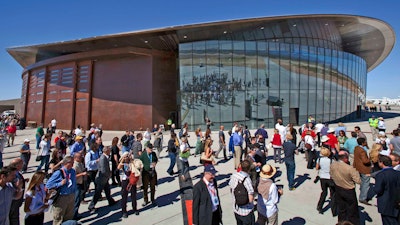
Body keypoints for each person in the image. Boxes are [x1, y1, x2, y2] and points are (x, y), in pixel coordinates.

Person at [330, 151, 361, 225]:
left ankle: (341, 222)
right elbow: (358, 181)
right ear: (346, 159)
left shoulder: (333, 165)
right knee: (352, 211)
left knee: (341, 209)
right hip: (349, 190)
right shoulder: (350, 168)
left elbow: (331, 174)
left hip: (338, 188)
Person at [45, 156, 77, 225]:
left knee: (69, 216)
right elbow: (48, 185)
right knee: (58, 217)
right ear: (67, 163)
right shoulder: (59, 173)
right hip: (62, 197)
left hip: (71, 195)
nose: (73, 164)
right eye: (72, 163)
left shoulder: (73, 171)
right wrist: (59, 183)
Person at [88, 146, 117, 212]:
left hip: (104, 178)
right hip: (101, 178)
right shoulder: (103, 158)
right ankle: (91, 206)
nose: (110, 152)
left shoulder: (105, 157)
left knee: (107, 190)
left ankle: (111, 201)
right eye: (109, 150)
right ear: (107, 151)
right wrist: (109, 175)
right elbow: (103, 170)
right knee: (98, 193)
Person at [373, 155, 400, 225]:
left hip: (385, 204)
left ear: (382, 163)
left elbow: (378, 190)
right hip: (396, 202)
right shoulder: (398, 173)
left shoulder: (381, 175)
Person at [229, 159, 255, 225]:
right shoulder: (247, 179)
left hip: (236, 208)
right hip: (246, 211)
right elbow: (251, 198)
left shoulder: (234, 175)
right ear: (249, 169)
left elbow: (231, 188)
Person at [118, 152, 143, 218]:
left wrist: (131, 159)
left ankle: (134, 208)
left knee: (133, 195)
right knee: (124, 196)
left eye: (127, 156)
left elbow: (136, 166)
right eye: (126, 156)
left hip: (132, 180)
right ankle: (124, 211)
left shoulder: (132, 162)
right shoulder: (123, 163)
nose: (127, 157)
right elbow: (118, 168)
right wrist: (123, 160)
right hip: (125, 180)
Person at [316, 147, 336, 215]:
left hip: (322, 177)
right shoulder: (331, 160)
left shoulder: (319, 159)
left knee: (324, 192)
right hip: (330, 178)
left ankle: (320, 206)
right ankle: (334, 210)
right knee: (333, 194)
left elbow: (317, 168)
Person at [353, 137, 372, 205]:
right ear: (363, 142)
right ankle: (363, 198)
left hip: (358, 167)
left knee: (362, 182)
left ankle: (362, 194)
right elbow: (365, 161)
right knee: (366, 183)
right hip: (364, 168)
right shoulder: (362, 151)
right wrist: (370, 160)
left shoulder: (356, 148)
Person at [72, 152, 86, 220]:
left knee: (78, 199)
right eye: (80, 157)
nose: (81, 158)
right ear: (76, 158)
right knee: (76, 200)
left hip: (81, 182)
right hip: (77, 184)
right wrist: (82, 174)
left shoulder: (80, 163)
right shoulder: (75, 166)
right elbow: (73, 176)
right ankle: (73, 216)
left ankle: (76, 213)